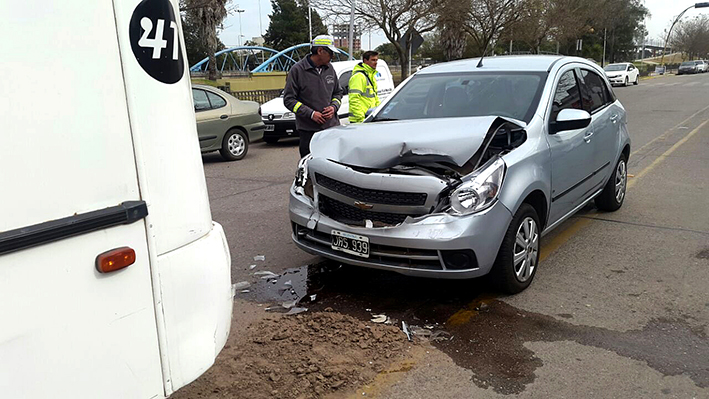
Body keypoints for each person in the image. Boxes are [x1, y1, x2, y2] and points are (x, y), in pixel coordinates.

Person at [283, 35, 344, 157]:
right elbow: (289, 100)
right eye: (330, 53)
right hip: (309, 131)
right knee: (310, 164)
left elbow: (338, 93)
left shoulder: (330, 69)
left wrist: (333, 107)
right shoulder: (297, 70)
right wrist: (311, 114)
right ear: (320, 51)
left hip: (331, 128)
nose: (332, 57)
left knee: (334, 164)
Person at [348, 51, 380, 123]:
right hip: (360, 120)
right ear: (365, 61)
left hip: (368, 118)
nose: (376, 62)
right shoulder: (359, 77)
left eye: (376, 60)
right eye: (373, 60)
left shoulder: (370, 76)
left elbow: (375, 98)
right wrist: (361, 119)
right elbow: (354, 100)